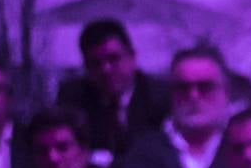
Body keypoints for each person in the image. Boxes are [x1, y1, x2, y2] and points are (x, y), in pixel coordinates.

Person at [116, 45, 238, 168]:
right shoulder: (144, 152)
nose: (193, 96)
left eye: (205, 87)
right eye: (183, 88)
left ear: (226, 92)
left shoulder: (243, 148)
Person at [55, 18, 170, 158]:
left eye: (113, 59)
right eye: (95, 63)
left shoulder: (161, 98)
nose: (105, 70)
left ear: (132, 57)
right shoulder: (72, 98)